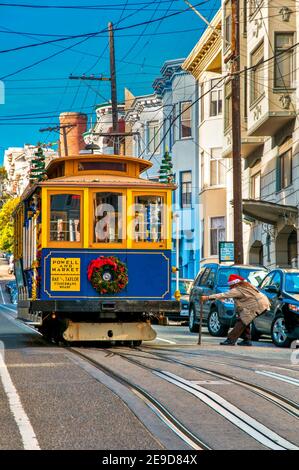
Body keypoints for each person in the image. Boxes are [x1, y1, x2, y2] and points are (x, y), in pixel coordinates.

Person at [201, 274, 270, 346]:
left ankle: (230, 340)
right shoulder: (246, 286)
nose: (229, 287)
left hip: (257, 305)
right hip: (263, 303)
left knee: (241, 321)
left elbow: (223, 294)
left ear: (234, 283)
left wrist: (207, 297)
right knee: (245, 320)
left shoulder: (238, 289)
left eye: (230, 285)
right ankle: (247, 340)